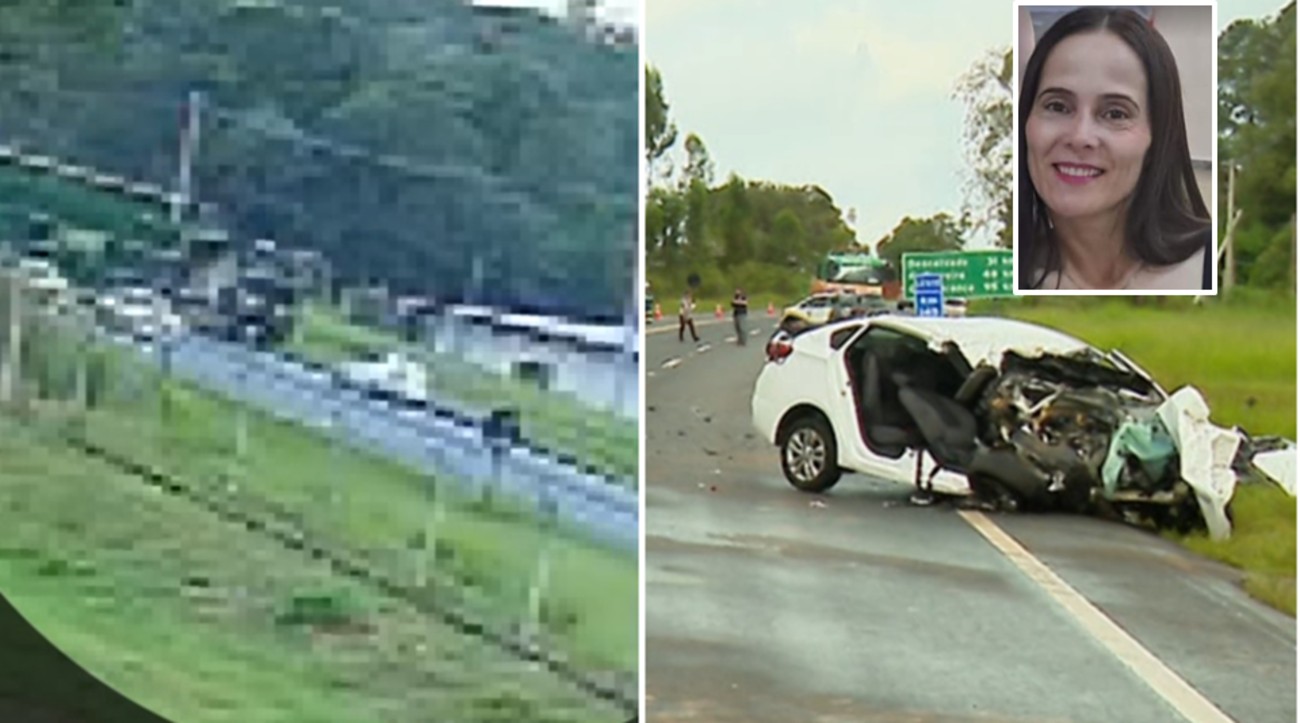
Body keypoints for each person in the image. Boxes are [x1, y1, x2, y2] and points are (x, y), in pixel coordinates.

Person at [1017, 7, 1213, 291]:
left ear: (1157, 137)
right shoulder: (1012, 275)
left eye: (1115, 114)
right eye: (1057, 106)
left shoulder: (1209, 267)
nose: (1080, 136)